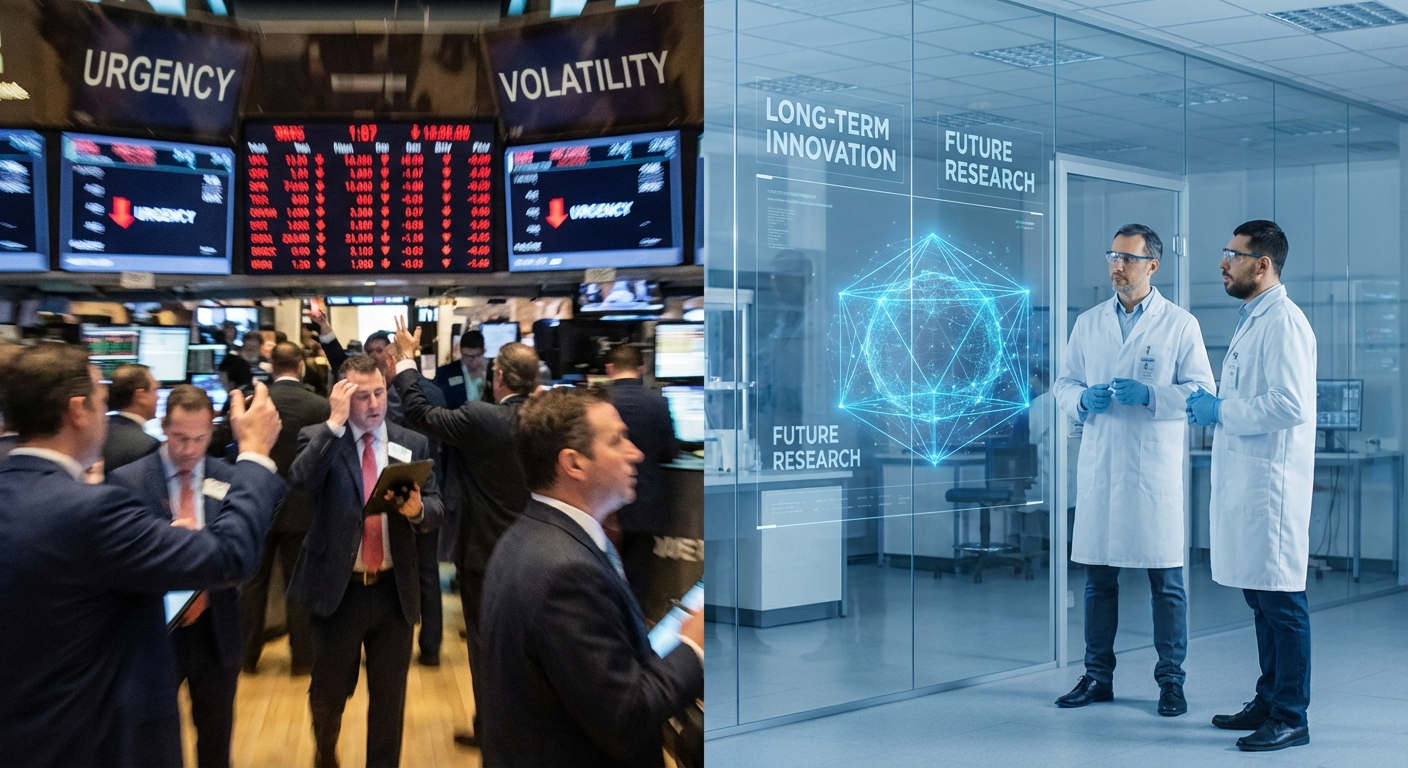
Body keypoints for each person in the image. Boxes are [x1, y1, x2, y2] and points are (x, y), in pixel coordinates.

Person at [0, 343, 284, 767]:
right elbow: (228, 554)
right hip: (93, 743)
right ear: (77, 410)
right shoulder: (92, 509)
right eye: (101, 396)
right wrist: (256, 453)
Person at [477, 387, 704, 767]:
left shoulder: (535, 534)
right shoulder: (566, 571)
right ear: (574, 463)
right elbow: (625, 717)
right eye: (618, 440)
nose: (637, 453)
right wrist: (693, 649)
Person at [1052, 224, 1214, 716]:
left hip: (1152, 474)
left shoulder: (1179, 324)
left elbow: (1201, 391)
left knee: (1166, 584)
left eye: (1126, 258)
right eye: (1111, 256)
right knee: (1098, 582)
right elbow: (1064, 383)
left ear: (1152, 265)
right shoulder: (1089, 323)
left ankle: (1171, 682)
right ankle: (1097, 676)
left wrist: (1153, 396)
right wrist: (1081, 398)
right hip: (1102, 468)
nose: (1115, 266)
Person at [1187, 220, 1317, 752]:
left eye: (1232, 255)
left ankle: (1291, 715)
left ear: (1262, 265)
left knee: (1283, 606)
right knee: (1262, 603)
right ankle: (1268, 700)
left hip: (1272, 491)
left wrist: (1221, 409)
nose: (1222, 264)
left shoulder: (1283, 322)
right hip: (1249, 485)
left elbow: (1290, 405)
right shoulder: (1254, 319)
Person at [287, 354, 443, 768]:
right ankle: (325, 752)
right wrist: (334, 423)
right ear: (341, 396)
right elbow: (302, 480)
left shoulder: (412, 444)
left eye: (379, 393)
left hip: (394, 591)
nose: (373, 404)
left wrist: (418, 511)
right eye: (361, 397)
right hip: (339, 590)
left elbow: (438, 504)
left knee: (390, 699)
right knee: (329, 692)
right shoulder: (319, 437)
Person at [386, 317, 534, 749]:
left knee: (486, 649)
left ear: (498, 374)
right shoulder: (547, 417)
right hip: (535, 549)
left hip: (484, 553)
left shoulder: (482, 418)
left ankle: (491, 730)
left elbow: (417, 412)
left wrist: (407, 360)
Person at [108, 386, 245, 768]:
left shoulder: (229, 479)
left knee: (216, 739)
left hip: (215, 628)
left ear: (212, 430)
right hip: (154, 630)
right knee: (153, 742)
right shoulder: (128, 481)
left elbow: (248, 550)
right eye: (180, 438)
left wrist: (208, 548)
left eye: (200, 438)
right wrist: (166, 548)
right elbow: (116, 562)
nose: (189, 449)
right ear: (164, 428)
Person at [230, 342, 330, 676]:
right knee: (298, 586)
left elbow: (224, 441)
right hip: (302, 509)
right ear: (300, 365)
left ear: (271, 365)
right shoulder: (319, 405)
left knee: (252, 586)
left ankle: (245, 657)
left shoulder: (253, 403)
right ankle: (303, 659)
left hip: (259, 506)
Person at [603, 343, 679, 616]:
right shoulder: (658, 401)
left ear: (609, 368)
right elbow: (670, 452)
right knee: (638, 578)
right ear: (642, 369)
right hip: (646, 505)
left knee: (603, 572)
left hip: (605, 504)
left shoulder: (598, 403)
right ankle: (634, 634)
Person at [102, 362, 161, 472]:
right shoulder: (147, 446)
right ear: (141, 396)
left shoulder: (99, 434)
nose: (158, 397)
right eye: (155, 390)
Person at [433, 330, 487, 409]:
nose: (470, 360)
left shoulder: (492, 373)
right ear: (461, 351)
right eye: (466, 355)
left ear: (483, 351)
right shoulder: (446, 373)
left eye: (475, 356)